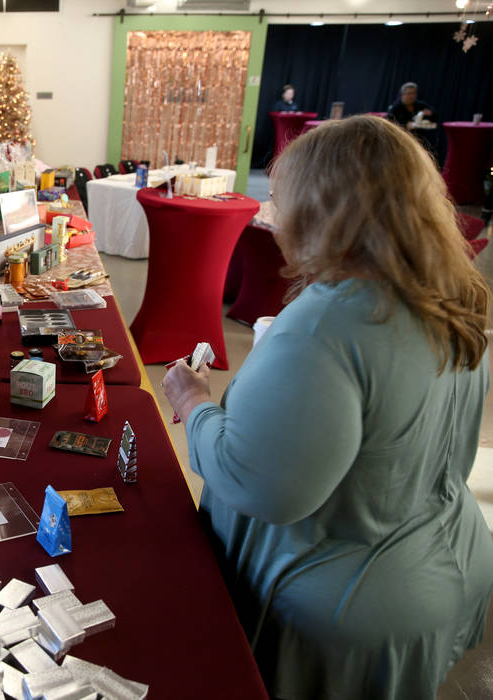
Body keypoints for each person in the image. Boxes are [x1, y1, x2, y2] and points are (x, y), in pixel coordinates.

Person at [161, 115, 493, 699]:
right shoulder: (449, 295)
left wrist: (194, 403)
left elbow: (260, 484)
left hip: (342, 602)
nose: (272, 216)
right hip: (443, 559)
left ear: (323, 210)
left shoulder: (328, 323)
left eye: (281, 201)